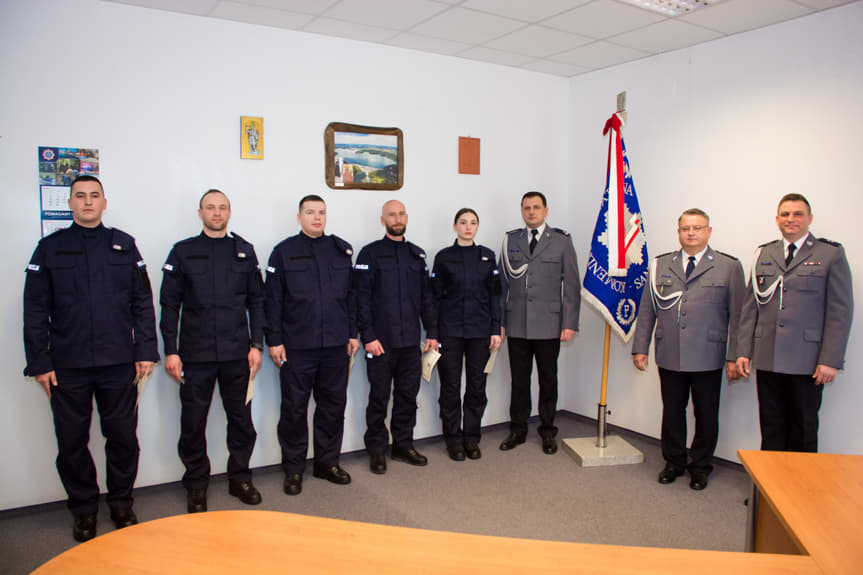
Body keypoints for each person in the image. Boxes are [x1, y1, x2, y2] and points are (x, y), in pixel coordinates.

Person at [23, 175, 158, 542]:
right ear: (70, 203)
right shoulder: (50, 248)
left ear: (104, 202)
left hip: (118, 361)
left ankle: (121, 504)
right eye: (80, 196)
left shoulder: (124, 246)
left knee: (123, 438)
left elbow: (142, 303)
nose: (87, 202)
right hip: (68, 365)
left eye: (94, 196)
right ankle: (84, 510)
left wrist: (146, 351)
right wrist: (40, 362)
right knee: (71, 443)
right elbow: (35, 310)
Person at [159, 189, 265, 513]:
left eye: (222, 208)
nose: (216, 213)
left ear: (229, 213)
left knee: (241, 422)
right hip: (195, 355)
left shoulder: (244, 252)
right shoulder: (182, 252)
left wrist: (256, 345)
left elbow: (257, 303)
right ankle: (196, 485)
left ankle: (240, 479)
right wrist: (171, 351)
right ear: (200, 213)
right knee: (193, 424)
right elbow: (169, 305)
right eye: (210, 208)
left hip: (237, 354)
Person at [632, 208, 745, 490]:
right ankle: (674, 462)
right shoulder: (661, 265)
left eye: (697, 228)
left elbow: (739, 317)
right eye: (685, 228)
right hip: (670, 353)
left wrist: (735, 356)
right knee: (672, 411)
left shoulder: (728, 266)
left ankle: (700, 467)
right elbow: (647, 310)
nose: (691, 233)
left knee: (706, 414)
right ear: (679, 232)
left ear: (708, 231)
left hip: (708, 355)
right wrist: (640, 347)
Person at [735, 194, 853, 452]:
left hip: (807, 360)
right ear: (777, 219)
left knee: (804, 428)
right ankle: (769, 480)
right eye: (785, 214)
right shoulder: (764, 254)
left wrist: (830, 359)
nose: (791, 219)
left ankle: (800, 480)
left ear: (809, 218)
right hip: (768, 355)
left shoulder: (830, 254)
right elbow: (750, 307)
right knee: (771, 427)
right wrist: (743, 351)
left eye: (798, 214)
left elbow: (840, 312)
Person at [265, 195, 359, 495]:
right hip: (297, 345)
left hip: (335, 344)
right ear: (299, 217)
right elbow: (273, 301)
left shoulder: (341, 251)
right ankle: (294, 469)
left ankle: (327, 463)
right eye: (310, 212)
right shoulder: (283, 252)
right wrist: (274, 340)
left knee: (333, 407)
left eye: (321, 212)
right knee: (294, 410)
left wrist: (353, 333)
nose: (317, 217)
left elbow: (351, 297)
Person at [355, 199, 438, 474]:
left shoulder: (417, 255)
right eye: (391, 215)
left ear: (406, 217)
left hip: (410, 343)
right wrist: (368, 336)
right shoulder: (369, 254)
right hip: (380, 343)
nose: (397, 218)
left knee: (407, 396)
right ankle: (377, 449)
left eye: (401, 214)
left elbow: (426, 298)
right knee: (379, 397)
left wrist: (432, 332)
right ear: (383, 220)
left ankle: (403, 445)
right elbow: (361, 299)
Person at [498, 191, 580, 455]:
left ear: (546, 210)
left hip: (549, 324)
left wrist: (569, 323)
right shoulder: (511, 240)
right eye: (526, 208)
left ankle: (547, 430)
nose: (531, 212)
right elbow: (501, 286)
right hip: (517, 323)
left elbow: (572, 285)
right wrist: (499, 322)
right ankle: (518, 429)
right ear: (521, 211)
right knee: (519, 381)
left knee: (548, 380)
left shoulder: (561, 241)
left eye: (536, 207)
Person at [431, 208, 502, 461]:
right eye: (463, 222)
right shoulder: (444, 257)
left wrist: (496, 328)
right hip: (450, 331)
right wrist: (433, 333)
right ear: (455, 226)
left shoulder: (487, 256)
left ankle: (471, 438)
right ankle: (453, 439)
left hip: (480, 332)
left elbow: (495, 295)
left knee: (476, 386)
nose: (468, 227)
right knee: (450, 387)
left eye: (473, 222)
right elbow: (433, 298)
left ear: (477, 227)